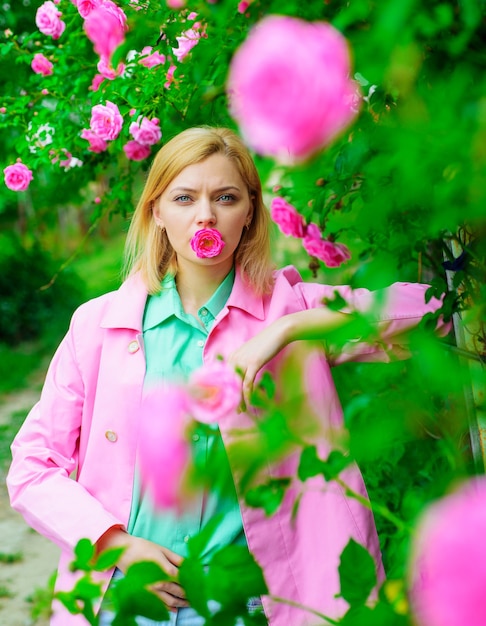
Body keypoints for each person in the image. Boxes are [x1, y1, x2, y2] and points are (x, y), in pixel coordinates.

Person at [7, 127, 449, 626]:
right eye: (184, 198)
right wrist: (117, 545)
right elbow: (32, 467)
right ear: (157, 212)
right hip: (123, 603)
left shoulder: (292, 308)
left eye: (225, 197)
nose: (205, 215)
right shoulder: (97, 326)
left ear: (250, 212)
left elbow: (434, 310)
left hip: (251, 607)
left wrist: (291, 327)